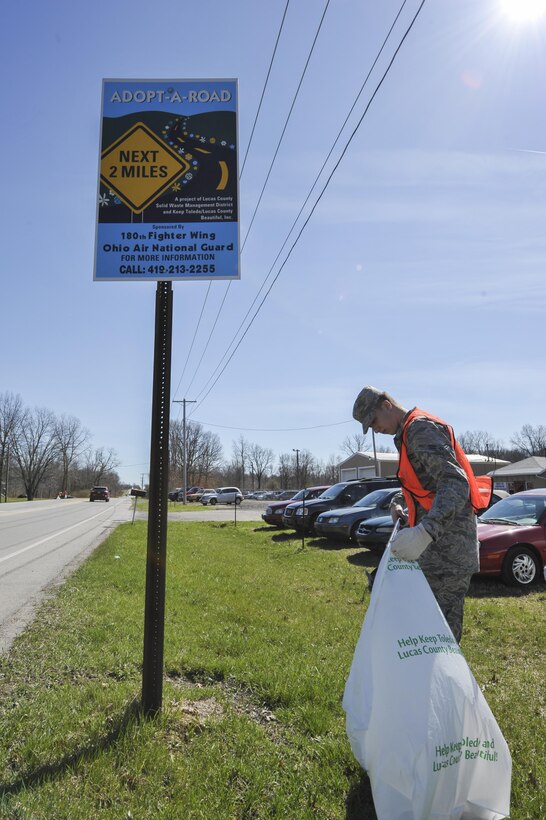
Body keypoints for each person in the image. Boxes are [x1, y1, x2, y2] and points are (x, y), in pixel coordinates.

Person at [352, 386, 485, 643]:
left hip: (448, 553)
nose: (375, 429)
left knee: (441, 640)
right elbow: (425, 485)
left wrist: (426, 531)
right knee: (426, 633)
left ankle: (446, 685)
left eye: (374, 420)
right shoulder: (408, 434)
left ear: (386, 405)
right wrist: (398, 502)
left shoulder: (419, 429)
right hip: (436, 553)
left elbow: (455, 483)